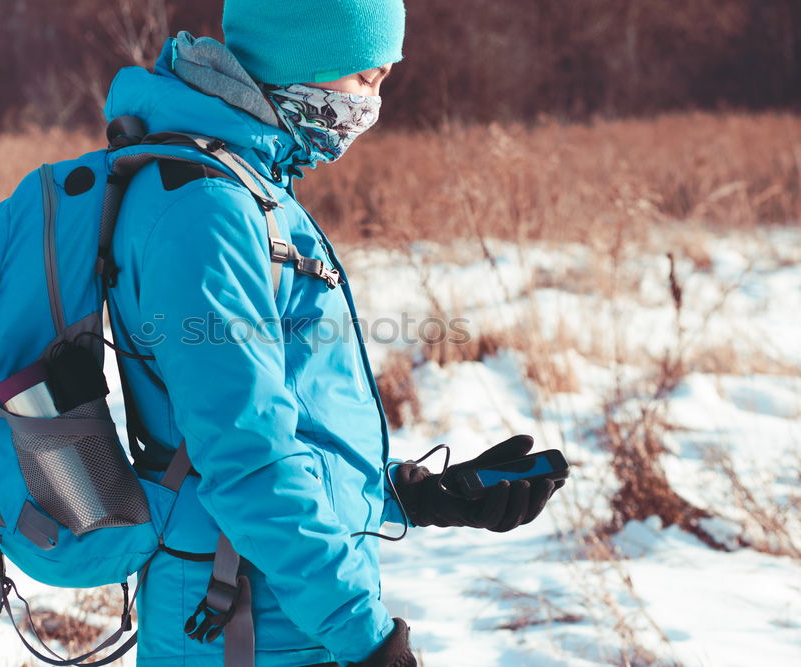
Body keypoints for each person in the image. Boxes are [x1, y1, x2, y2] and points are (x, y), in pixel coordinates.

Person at [104, 1, 562, 665]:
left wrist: (408, 492)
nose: (372, 107)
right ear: (300, 62)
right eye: (365, 80)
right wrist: (369, 642)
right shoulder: (207, 209)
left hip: (275, 606)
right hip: (243, 621)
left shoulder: (248, 185)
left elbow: (282, 417)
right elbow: (245, 459)